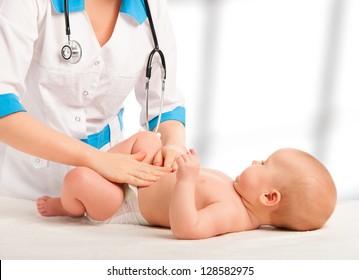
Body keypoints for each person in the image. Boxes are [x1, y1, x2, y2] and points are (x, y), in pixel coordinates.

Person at [0, 0, 186, 200]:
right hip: (25, 187)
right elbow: (3, 106)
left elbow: (165, 107)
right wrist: (96, 160)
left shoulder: (151, 6)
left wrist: (175, 145)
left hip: (106, 189)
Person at [37, 131, 337, 240]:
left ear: (269, 196)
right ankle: (108, 167)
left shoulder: (235, 215)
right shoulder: (236, 189)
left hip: (125, 205)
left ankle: (67, 206)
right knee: (149, 139)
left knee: (77, 178)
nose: (257, 161)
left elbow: (187, 228)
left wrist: (185, 181)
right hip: (140, 179)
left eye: (265, 164)